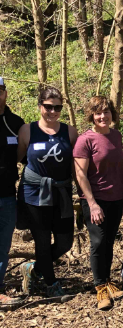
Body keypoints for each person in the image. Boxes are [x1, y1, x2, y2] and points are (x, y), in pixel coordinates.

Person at [17, 87, 78, 299]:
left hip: (62, 192)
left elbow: (75, 164)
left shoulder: (69, 132)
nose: (53, 111)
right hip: (34, 192)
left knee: (65, 242)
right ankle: (51, 285)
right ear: (40, 106)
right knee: (41, 240)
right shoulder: (27, 130)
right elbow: (19, 157)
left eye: (57, 107)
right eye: (48, 107)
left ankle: (34, 269)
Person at [74, 96, 123, 310]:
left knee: (109, 240)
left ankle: (108, 280)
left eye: (106, 112)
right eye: (98, 113)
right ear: (92, 116)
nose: (102, 116)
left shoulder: (116, 136)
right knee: (97, 242)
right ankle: (99, 287)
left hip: (116, 197)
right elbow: (80, 174)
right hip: (95, 200)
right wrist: (92, 203)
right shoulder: (85, 140)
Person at [0, 77, 25, 310]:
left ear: (5, 93)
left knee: (2, 246)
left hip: (7, 194)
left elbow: (28, 155)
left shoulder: (15, 123)